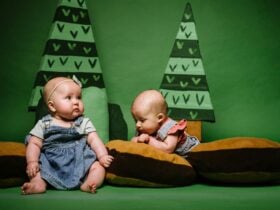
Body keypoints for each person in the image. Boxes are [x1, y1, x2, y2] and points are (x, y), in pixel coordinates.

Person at [21, 76, 113, 195]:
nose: (76, 102)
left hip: (80, 159)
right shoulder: (44, 124)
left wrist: (102, 156)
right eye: (69, 98)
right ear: (52, 106)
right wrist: (32, 162)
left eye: (79, 97)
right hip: (51, 162)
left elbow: (94, 139)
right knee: (37, 171)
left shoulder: (83, 122)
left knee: (98, 167)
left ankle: (90, 182)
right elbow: (34, 143)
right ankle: (38, 184)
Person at [131, 89, 200, 157]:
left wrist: (149, 140)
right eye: (135, 120)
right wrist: (138, 139)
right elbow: (132, 141)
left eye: (142, 120)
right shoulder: (144, 128)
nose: (137, 124)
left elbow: (168, 149)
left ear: (159, 118)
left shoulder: (170, 128)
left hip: (190, 152)